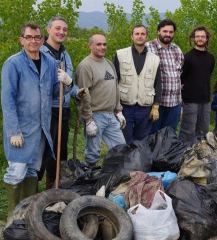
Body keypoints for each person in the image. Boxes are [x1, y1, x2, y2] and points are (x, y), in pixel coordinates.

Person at [1, 22, 74, 219]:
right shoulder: (13, 63)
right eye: (28, 37)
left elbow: (54, 93)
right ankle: (11, 217)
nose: (33, 41)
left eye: (36, 37)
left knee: (32, 171)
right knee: (16, 171)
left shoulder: (50, 64)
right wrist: (13, 131)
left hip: (42, 128)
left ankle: (25, 216)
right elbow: (7, 100)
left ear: (42, 40)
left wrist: (68, 83)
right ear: (21, 40)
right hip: (21, 129)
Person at [39, 16, 80, 189]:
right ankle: (33, 192)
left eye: (64, 29)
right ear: (48, 30)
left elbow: (69, 85)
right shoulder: (40, 53)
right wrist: (63, 84)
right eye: (57, 28)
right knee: (44, 152)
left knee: (60, 153)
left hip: (63, 109)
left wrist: (74, 87)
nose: (61, 32)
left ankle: (54, 188)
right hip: (47, 110)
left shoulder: (65, 54)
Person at [75, 33, 126, 167]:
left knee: (121, 148)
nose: (102, 47)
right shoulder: (85, 66)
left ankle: (114, 176)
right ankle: (88, 178)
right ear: (90, 45)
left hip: (111, 115)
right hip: (95, 116)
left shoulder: (108, 63)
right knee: (93, 153)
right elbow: (82, 95)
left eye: (104, 44)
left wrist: (118, 110)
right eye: (98, 44)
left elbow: (115, 87)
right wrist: (88, 120)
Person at [113, 25, 162, 144]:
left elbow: (158, 83)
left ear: (147, 37)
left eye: (142, 34)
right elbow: (114, 82)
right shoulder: (120, 55)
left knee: (142, 139)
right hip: (125, 105)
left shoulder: (155, 59)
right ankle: (126, 162)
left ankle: (139, 162)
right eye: (137, 34)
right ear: (132, 36)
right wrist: (115, 106)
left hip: (145, 107)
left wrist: (156, 105)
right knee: (125, 139)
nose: (140, 36)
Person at [146, 19, 184, 134]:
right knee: (153, 135)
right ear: (158, 31)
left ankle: (167, 153)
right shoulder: (148, 48)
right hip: (156, 104)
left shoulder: (176, 49)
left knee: (169, 135)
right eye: (165, 31)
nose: (168, 34)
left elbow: (180, 72)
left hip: (175, 102)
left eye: (171, 32)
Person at [179, 26, 215, 145]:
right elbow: (182, 78)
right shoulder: (188, 57)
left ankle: (200, 158)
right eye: (197, 36)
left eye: (202, 36)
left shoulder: (211, 58)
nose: (200, 39)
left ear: (207, 38)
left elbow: (207, 74)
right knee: (188, 132)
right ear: (193, 38)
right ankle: (183, 156)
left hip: (205, 100)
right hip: (190, 100)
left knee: (203, 131)